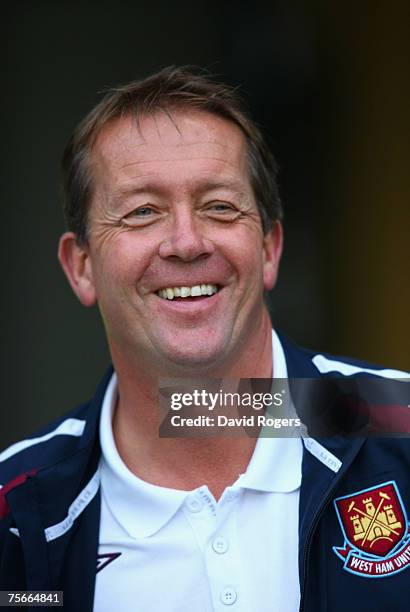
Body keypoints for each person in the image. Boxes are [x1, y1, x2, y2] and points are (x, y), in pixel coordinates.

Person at [0, 66, 409, 612]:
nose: (186, 242)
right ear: (81, 267)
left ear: (268, 248)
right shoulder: (17, 508)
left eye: (219, 205)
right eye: (142, 212)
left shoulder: (397, 424)